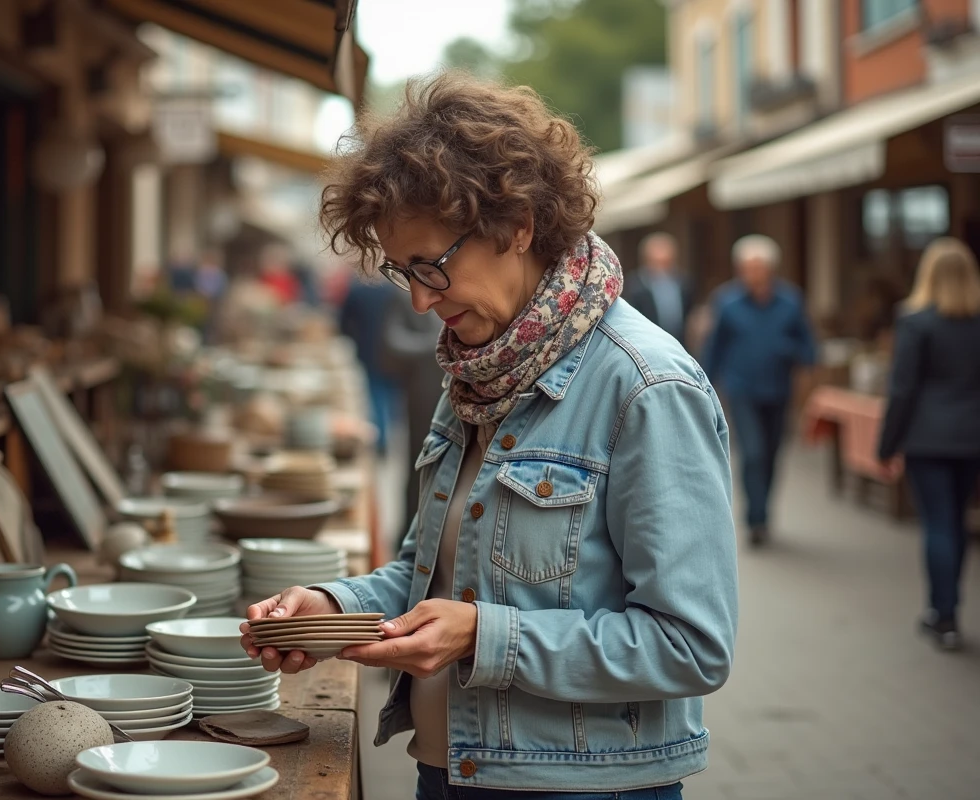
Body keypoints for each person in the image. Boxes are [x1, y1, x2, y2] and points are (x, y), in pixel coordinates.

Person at [239, 72, 738, 799]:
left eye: (432, 268)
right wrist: (332, 605)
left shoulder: (648, 386)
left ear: (517, 226)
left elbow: (691, 646)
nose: (416, 300)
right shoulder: (478, 367)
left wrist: (485, 635)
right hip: (449, 773)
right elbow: (429, 572)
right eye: (400, 272)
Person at [877, 238, 980, 651]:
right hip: (971, 437)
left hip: (927, 436)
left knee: (938, 524)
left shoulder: (916, 321)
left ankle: (943, 613)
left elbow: (902, 389)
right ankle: (950, 608)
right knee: (956, 521)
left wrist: (887, 444)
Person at [702, 235, 817, 547]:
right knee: (752, 453)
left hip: (778, 390)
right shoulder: (726, 302)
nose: (751, 274)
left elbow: (808, 347)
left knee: (771, 454)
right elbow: (715, 348)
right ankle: (756, 518)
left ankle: (764, 508)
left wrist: (790, 351)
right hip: (742, 389)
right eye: (746, 268)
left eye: (757, 268)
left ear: (770, 269)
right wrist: (704, 386)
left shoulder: (790, 301)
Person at [380, 290, 444, 540]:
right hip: (423, 399)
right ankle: (410, 535)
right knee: (419, 469)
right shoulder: (406, 297)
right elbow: (392, 342)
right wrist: (436, 344)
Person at [339, 274, 402, 454]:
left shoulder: (357, 290)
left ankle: (381, 438)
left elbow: (343, 322)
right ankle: (389, 433)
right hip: (393, 351)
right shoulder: (393, 290)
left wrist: (354, 337)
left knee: (376, 394)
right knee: (390, 393)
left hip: (368, 349)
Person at [622, 232, 693, 345]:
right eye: (656, 263)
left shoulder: (684, 284)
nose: (661, 270)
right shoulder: (635, 286)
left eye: (666, 263)